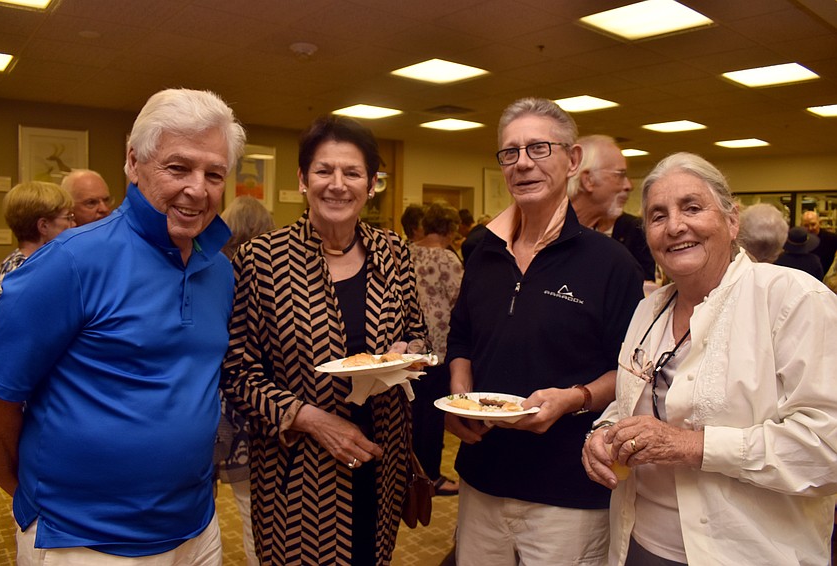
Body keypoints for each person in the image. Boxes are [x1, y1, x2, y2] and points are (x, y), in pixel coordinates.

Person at [0, 88, 246, 564]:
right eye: (178, 167)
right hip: (84, 540)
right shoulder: (68, 262)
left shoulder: (220, 271)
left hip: (197, 526)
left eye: (214, 173)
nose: (198, 188)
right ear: (133, 161)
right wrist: (29, 498)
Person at [582, 152, 837, 566]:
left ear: (731, 220)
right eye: (658, 215)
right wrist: (604, 433)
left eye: (692, 208)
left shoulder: (793, 299)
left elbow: (828, 447)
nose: (675, 226)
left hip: (747, 552)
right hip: (639, 543)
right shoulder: (649, 310)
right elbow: (633, 399)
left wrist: (693, 446)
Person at [221, 114, 427, 566]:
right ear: (302, 179)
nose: (337, 184)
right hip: (299, 468)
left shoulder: (393, 252)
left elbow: (417, 336)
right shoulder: (262, 260)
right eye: (323, 170)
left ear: (372, 183)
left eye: (352, 173)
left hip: (382, 455)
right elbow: (237, 372)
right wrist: (311, 419)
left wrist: (405, 356)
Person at [445, 97, 644, 566]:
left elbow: (633, 370)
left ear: (572, 160)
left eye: (538, 148)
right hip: (483, 478)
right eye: (509, 152)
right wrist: (457, 391)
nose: (522, 164)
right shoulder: (483, 253)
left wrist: (573, 397)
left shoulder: (610, 263)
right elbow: (461, 339)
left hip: (567, 489)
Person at [216, 195, 275, 566]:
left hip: (220, 414)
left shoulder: (212, 272)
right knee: (264, 517)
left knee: (234, 513)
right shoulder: (270, 277)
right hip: (262, 414)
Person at [409, 202, 463, 497]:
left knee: (411, 416)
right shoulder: (447, 260)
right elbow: (461, 302)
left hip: (408, 349)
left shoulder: (405, 251)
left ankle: (409, 474)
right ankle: (430, 477)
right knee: (431, 420)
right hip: (438, 351)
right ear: (451, 228)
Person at [568, 134, 655, 281]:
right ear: (588, 180)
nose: (629, 186)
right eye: (620, 175)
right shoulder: (539, 238)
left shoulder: (604, 248)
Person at [0, 181, 75, 321]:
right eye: (68, 218)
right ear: (43, 226)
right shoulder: (29, 274)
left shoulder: (13, 262)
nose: (74, 224)